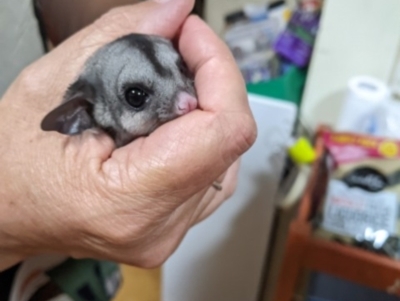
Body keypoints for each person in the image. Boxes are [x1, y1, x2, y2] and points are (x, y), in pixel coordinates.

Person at [0, 0, 256, 272]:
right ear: (84, 113)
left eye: (181, 70)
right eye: (137, 96)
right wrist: (14, 225)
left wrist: (120, 24)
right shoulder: (89, 109)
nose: (186, 99)